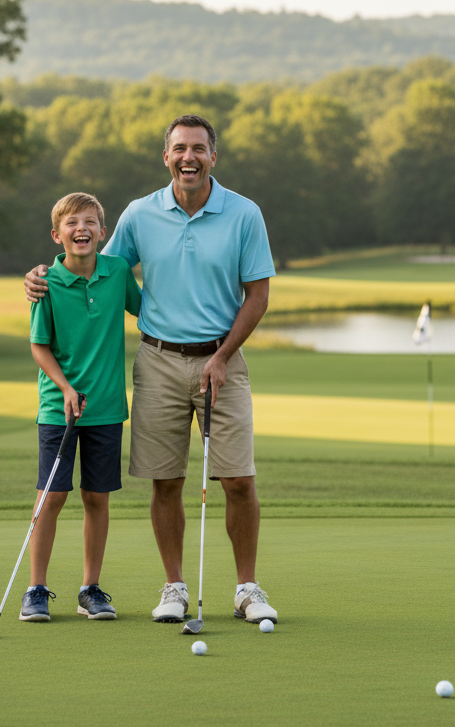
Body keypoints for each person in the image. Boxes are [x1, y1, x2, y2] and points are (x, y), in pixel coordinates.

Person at [25, 115, 279, 625]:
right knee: (165, 481)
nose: (189, 157)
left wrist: (224, 355)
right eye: (180, 148)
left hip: (221, 361)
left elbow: (258, 295)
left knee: (238, 481)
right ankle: (174, 587)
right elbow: (96, 269)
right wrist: (41, 275)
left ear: (213, 156)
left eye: (199, 149)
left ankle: (247, 588)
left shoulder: (244, 214)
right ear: (166, 156)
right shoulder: (141, 214)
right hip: (158, 361)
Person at [21, 192, 142, 623]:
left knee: (96, 497)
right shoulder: (46, 284)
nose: (81, 230)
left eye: (90, 222)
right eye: (72, 224)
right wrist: (66, 388)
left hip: (107, 408)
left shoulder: (117, 272)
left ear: (102, 232)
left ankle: (90, 588)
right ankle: (36, 589)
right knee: (51, 496)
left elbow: (148, 310)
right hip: (59, 408)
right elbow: (39, 348)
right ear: (57, 235)